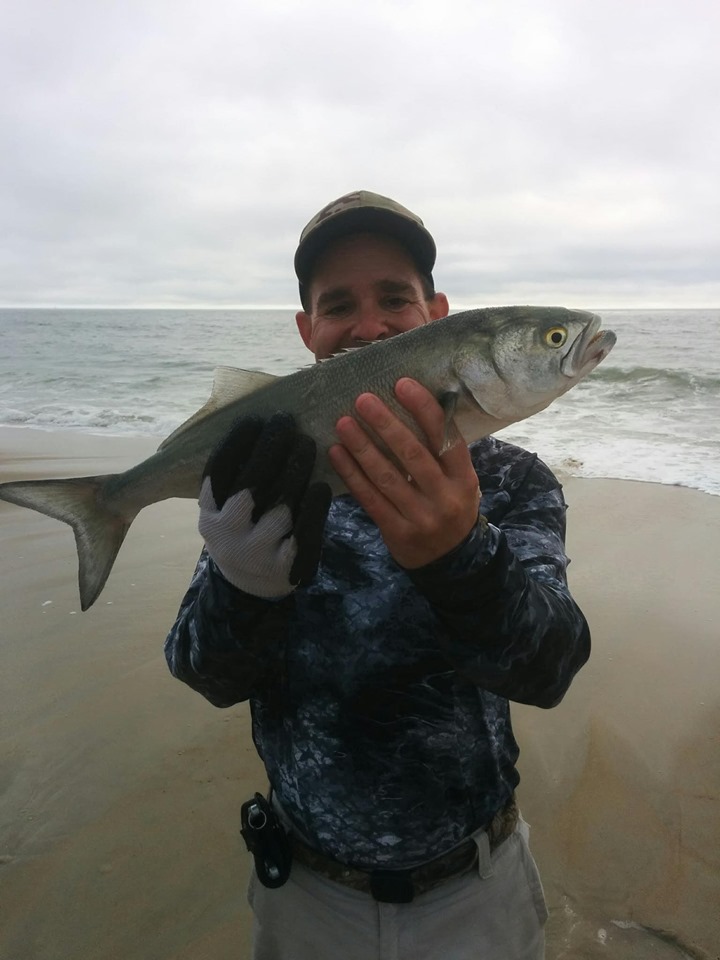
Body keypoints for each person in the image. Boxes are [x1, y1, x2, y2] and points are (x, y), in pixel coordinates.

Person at [164, 190, 591, 959]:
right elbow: (205, 673)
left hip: (477, 889)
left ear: (438, 314)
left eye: (395, 297)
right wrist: (241, 583)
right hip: (304, 896)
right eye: (338, 306)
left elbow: (550, 667)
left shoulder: (515, 483)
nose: (368, 325)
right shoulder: (272, 479)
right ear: (307, 331)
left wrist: (462, 557)